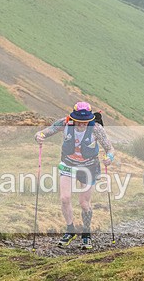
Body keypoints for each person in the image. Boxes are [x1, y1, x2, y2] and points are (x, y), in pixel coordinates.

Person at [35, 102, 114, 249]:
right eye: (79, 121)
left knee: (84, 203)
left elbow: (109, 148)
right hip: (68, 164)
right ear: (73, 118)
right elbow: (45, 131)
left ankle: (86, 233)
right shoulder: (65, 124)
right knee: (65, 198)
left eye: (85, 122)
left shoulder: (96, 128)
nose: (82, 125)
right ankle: (70, 231)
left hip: (89, 167)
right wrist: (39, 136)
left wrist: (110, 158)